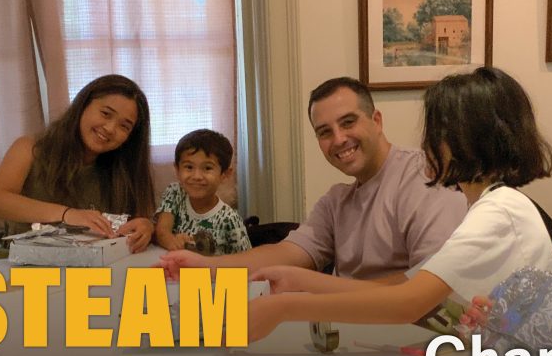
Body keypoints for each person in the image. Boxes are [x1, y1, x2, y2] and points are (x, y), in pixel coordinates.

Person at [245, 66, 552, 341]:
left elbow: (407, 302)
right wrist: (301, 280)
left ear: (467, 141)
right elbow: (414, 294)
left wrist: (286, 306)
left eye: (436, 133)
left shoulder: (499, 211)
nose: (426, 144)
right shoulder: (490, 206)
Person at [158, 76, 467, 279]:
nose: (339, 139)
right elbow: (287, 253)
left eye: (348, 122)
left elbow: (430, 286)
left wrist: (315, 292)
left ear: (376, 121)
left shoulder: (425, 178)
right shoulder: (337, 201)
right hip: (350, 334)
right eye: (324, 132)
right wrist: (204, 266)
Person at [0, 74, 156, 252]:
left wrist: (146, 227)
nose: (110, 128)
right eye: (105, 114)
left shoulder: (126, 169)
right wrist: (67, 214)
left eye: (124, 126)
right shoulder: (30, 148)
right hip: (31, 267)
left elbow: (141, 219)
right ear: (83, 106)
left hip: (99, 268)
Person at [155, 129, 251, 255]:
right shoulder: (175, 192)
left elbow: (246, 264)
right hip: (174, 270)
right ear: (177, 170)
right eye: (189, 167)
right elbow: (162, 231)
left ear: (225, 174)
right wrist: (173, 242)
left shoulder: (229, 220)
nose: (197, 176)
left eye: (207, 168)